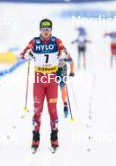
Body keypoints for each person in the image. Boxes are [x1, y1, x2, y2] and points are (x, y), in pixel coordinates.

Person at [20, 18, 69, 151]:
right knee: (37, 111)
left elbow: (65, 52)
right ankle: (35, 139)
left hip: (52, 80)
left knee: (53, 111)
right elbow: (22, 54)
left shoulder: (56, 41)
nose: (46, 32)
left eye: (48, 29)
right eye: (43, 29)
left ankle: (54, 138)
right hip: (39, 81)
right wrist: (28, 55)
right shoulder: (34, 41)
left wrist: (63, 55)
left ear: (51, 30)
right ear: (40, 30)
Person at [56, 52, 75, 118]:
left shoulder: (64, 52)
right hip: (52, 70)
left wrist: (72, 71)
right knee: (53, 88)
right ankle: (53, 106)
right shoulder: (50, 47)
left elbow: (71, 61)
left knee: (63, 87)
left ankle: (65, 105)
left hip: (62, 69)